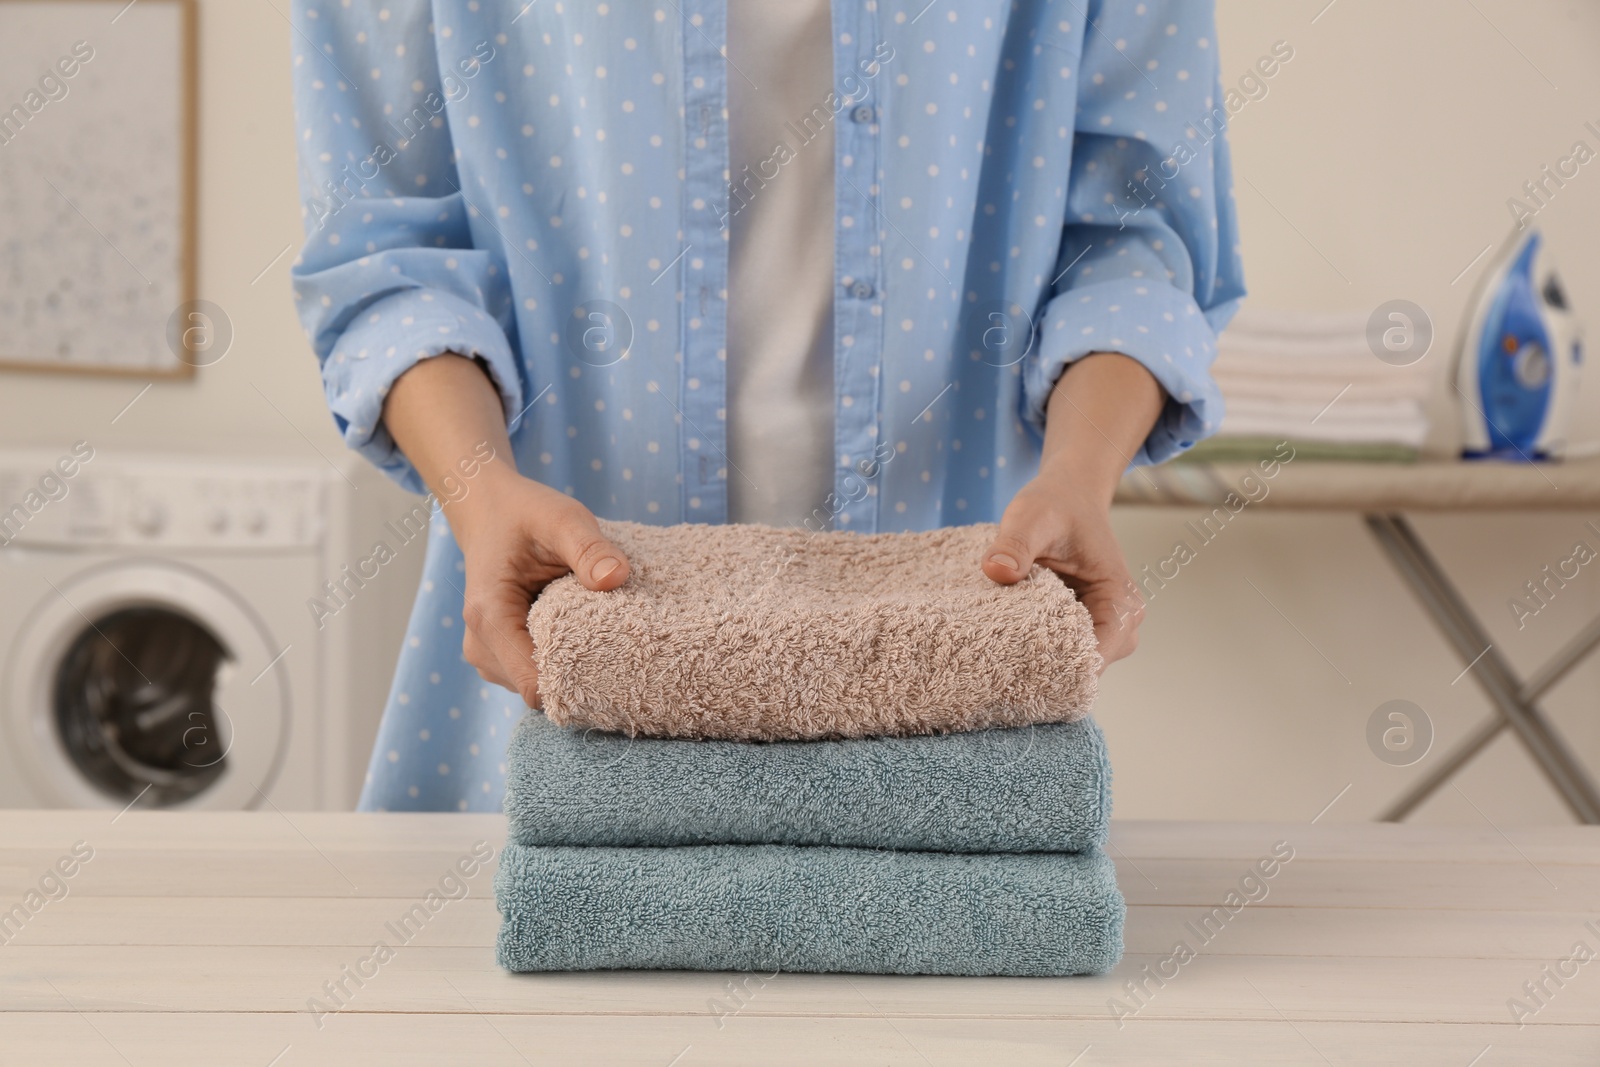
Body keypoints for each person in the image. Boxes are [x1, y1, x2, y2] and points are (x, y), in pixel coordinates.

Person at [289, 0, 1244, 811]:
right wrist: (478, 487)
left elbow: (1135, 234)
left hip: (950, 659)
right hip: (557, 645)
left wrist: (1079, 475)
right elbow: (384, 255)